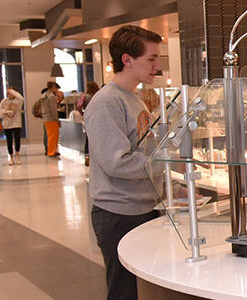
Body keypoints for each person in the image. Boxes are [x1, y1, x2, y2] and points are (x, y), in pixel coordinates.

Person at [84, 25, 163, 300]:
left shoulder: (134, 99)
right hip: (118, 214)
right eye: (151, 59)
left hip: (143, 209)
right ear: (127, 59)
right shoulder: (106, 102)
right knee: (124, 292)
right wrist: (164, 164)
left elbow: (145, 150)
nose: (157, 66)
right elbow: (117, 163)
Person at [36, 81, 64, 157]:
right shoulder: (51, 97)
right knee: (53, 136)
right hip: (51, 118)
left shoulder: (44, 96)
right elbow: (53, 109)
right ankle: (52, 151)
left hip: (46, 118)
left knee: (49, 135)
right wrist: (57, 119)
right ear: (53, 87)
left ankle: (50, 150)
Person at [0, 87, 24, 165]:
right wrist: (5, 111)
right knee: (9, 141)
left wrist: (12, 91)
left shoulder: (18, 101)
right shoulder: (4, 101)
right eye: (9, 93)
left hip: (16, 123)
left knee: (17, 140)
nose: (10, 94)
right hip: (7, 124)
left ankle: (17, 155)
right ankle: (11, 156)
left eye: (12, 93)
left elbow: (21, 98)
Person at [77, 82, 100, 165]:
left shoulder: (84, 96)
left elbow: (78, 106)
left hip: (88, 119)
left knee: (88, 138)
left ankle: (87, 156)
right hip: (98, 119)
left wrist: (83, 114)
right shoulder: (98, 96)